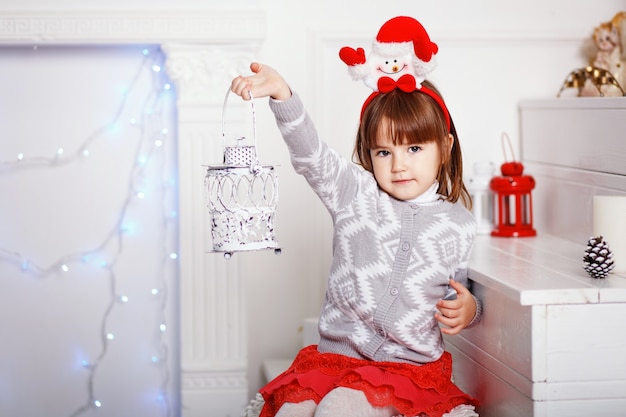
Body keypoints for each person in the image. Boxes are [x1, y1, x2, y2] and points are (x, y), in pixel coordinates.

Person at [232, 19, 482, 417]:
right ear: (369, 153)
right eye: (384, 152)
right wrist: (282, 94)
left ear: (446, 146)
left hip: (407, 369)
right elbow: (310, 154)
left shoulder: (460, 224)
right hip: (336, 360)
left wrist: (470, 310)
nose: (399, 165)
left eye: (414, 148)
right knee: (292, 411)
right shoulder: (355, 193)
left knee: (341, 408)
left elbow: (459, 293)